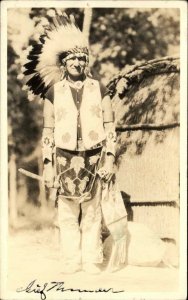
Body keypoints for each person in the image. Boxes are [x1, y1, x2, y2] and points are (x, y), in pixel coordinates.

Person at [21, 11, 117, 274]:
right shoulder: (54, 92)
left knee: (92, 211)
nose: (77, 62)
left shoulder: (100, 88)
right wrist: (49, 165)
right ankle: (71, 261)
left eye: (82, 58)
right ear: (63, 63)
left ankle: (90, 261)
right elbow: (48, 131)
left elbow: (110, 126)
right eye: (72, 58)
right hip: (63, 157)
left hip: (94, 156)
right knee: (66, 212)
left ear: (87, 61)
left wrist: (109, 158)